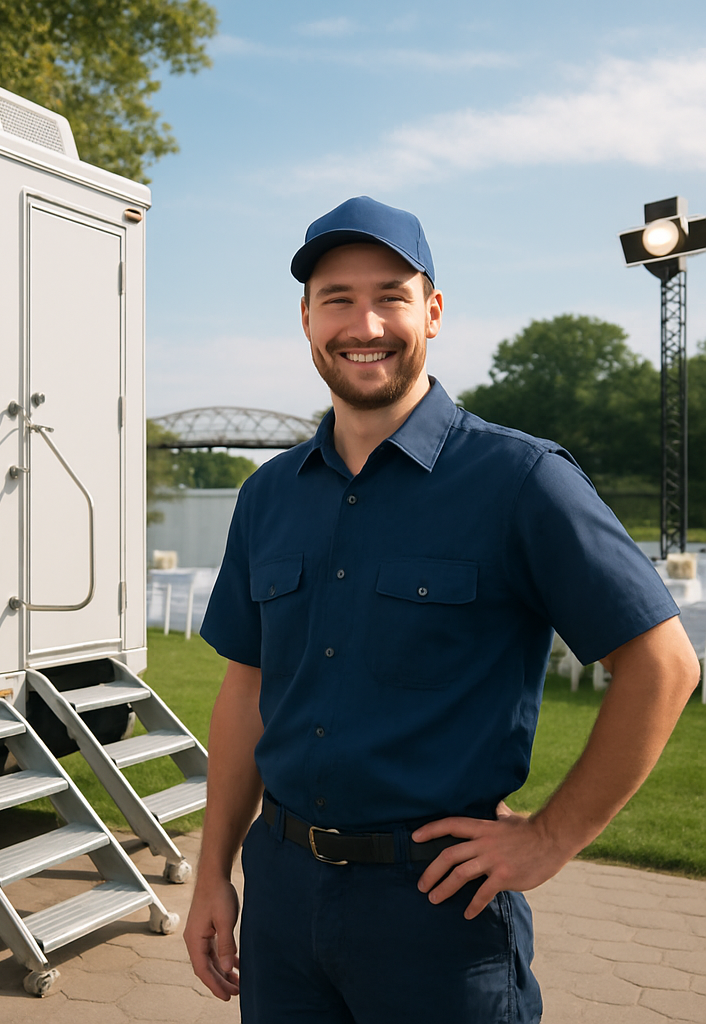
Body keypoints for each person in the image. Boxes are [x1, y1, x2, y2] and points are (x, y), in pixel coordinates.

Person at [182, 195, 700, 1023]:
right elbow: (246, 692)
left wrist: (549, 839)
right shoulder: (268, 495)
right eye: (337, 299)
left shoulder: (521, 480)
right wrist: (213, 874)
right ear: (307, 320)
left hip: (434, 907)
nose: (366, 323)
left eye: (390, 294)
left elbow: (664, 665)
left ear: (433, 310)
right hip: (280, 894)